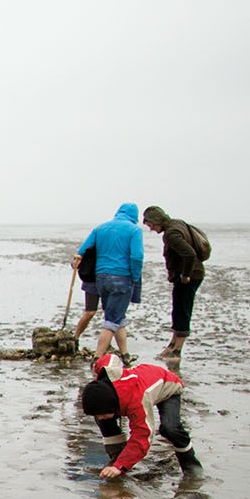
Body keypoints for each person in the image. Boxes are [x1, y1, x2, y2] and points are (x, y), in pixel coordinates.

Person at [80, 350, 201, 479]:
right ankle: (117, 458)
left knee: (169, 429)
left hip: (168, 387)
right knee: (104, 421)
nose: (99, 417)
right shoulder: (106, 376)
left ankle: (192, 467)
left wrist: (120, 466)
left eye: (102, 413)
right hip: (138, 385)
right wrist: (97, 365)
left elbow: (142, 437)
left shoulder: (137, 402)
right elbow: (111, 358)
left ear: (113, 405)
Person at [72, 203, 143, 366]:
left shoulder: (101, 228)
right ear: (134, 216)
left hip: (101, 278)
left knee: (117, 316)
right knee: (112, 319)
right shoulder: (134, 230)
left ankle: (125, 354)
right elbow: (137, 256)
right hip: (122, 277)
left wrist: (76, 261)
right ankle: (97, 357)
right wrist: (135, 276)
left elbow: (82, 249)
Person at [142, 206, 205, 361]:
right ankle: (172, 345)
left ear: (157, 221)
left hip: (189, 277)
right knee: (178, 309)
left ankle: (177, 350)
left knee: (182, 310)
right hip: (194, 273)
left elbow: (189, 253)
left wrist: (185, 275)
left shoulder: (171, 233)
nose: (151, 229)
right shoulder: (177, 224)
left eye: (150, 225)